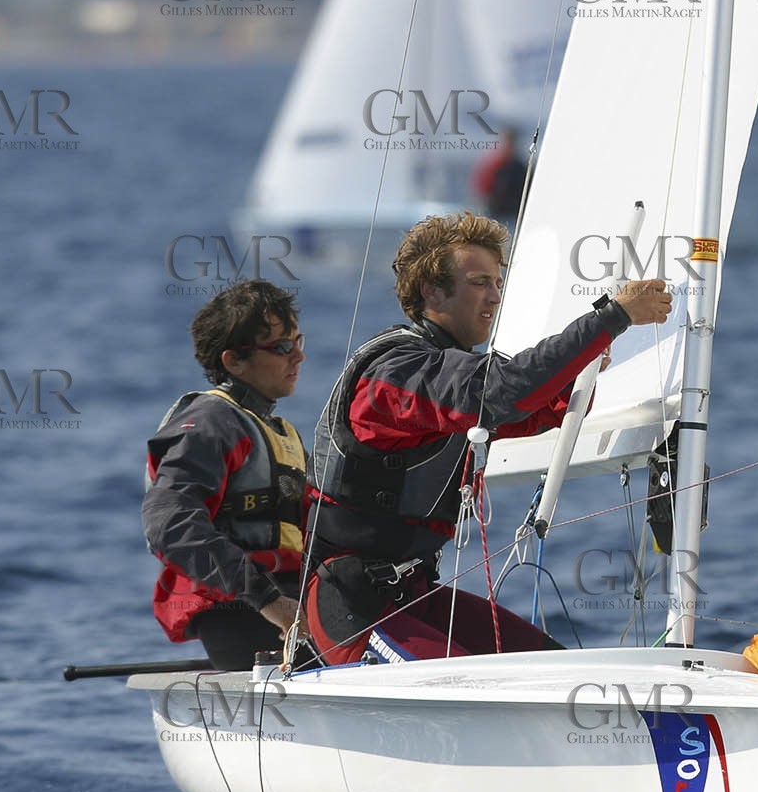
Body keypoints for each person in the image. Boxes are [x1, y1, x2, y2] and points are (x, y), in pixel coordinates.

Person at [304, 211, 672, 665]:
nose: (495, 296)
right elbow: (506, 392)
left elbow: (534, 415)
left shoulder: (444, 374)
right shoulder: (398, 372)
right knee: (462, 688)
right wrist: (610, 318)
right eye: (480, 282)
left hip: (415, 596)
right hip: (353, 609)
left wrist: (584, 362)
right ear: (432, 290)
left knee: (557, 670)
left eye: (499, 283)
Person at [143, 281, 308, 670]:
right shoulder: (212, 423)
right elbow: (167, 525)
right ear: (233, 361)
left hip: (290, 604)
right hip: (241, 609)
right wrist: (271, 603)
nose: (299, 356)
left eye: (299, 341)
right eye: (283, 347)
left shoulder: (279, 431)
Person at [469, 128, 527, 225]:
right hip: (494, 212)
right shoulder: (494, 163)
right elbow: (482, 186)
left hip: (513, 214)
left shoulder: (520, 166)